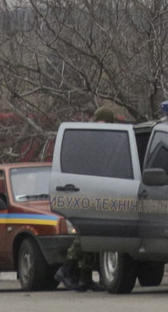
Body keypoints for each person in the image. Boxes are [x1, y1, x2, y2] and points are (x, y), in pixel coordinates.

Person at [54, 104, 122, 292]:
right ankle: (66, 269)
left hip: (94, 189)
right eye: (105, 122)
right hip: (88, 190)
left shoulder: (96, 139)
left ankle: (84, 277)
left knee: (93, 233)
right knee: (86, 233)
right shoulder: (92, 140)